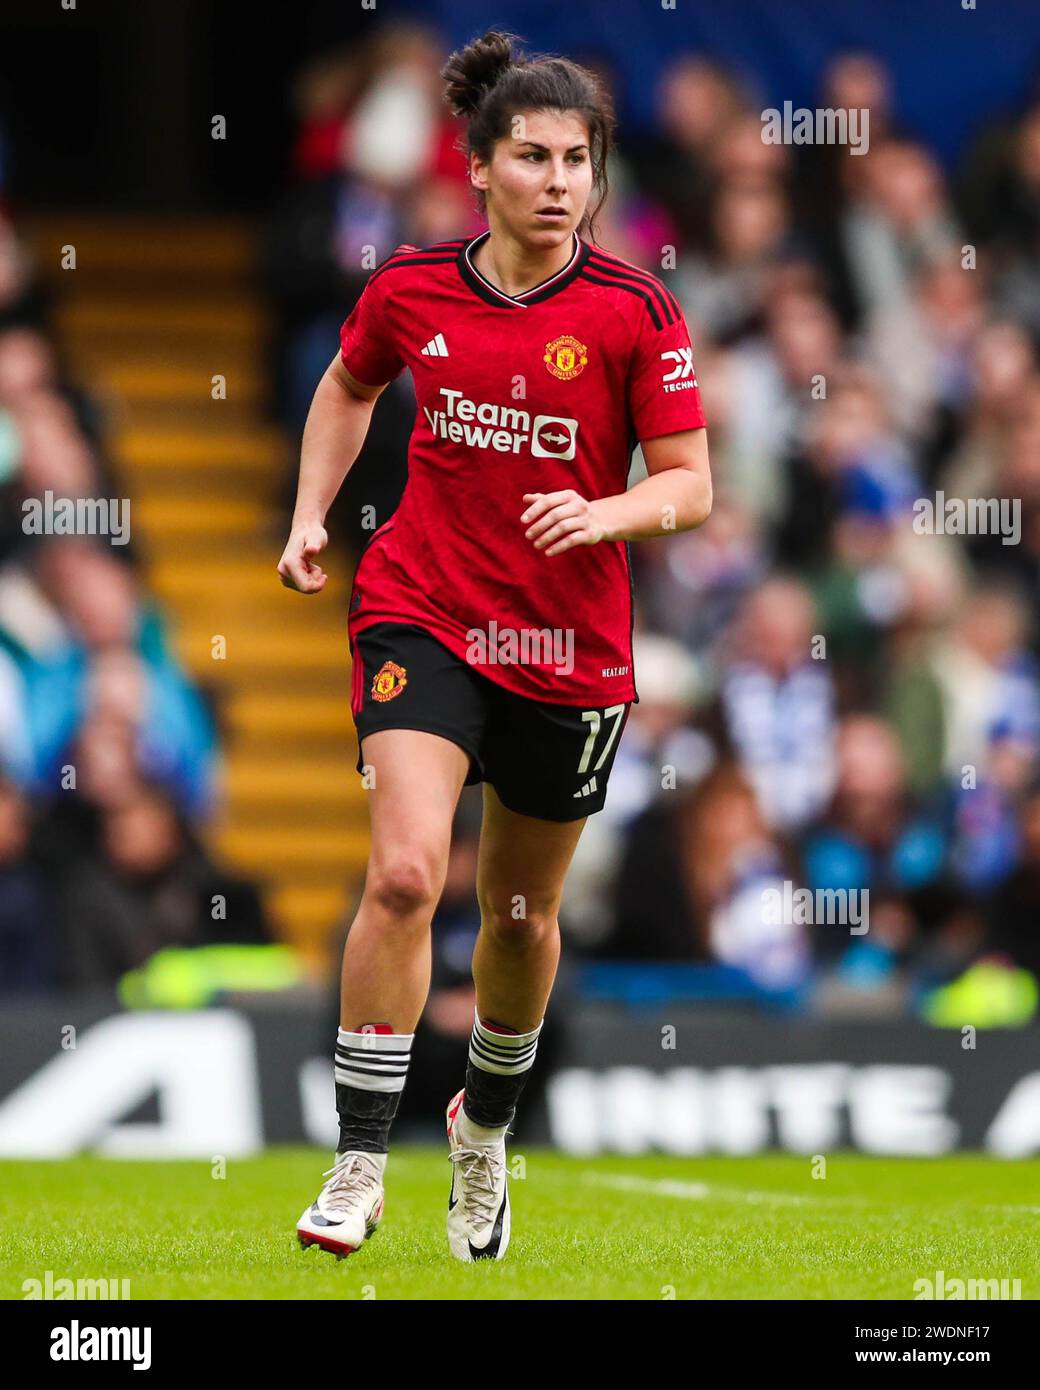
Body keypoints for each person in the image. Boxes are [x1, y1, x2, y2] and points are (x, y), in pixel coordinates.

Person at [278, 29, 711, 1263]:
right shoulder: (410, 287)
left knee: (518, 916)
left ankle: (485, 1130)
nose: (559, 178)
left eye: (579, 158)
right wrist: (312, 515)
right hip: (423, 608)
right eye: (532, 155)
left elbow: (689, 487)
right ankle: (360, 1160)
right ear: (479, 166)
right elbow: (346, 386)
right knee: (408, 874)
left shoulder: (636, 311)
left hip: (569, 645)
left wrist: (607, 509)